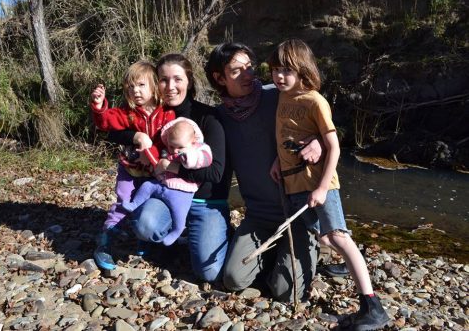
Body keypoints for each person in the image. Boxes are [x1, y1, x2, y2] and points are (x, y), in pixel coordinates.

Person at [268, 39, 389, 330]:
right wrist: (277, 160)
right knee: (320, 235)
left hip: (320, 183)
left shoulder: (314, 101)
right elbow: (287, 136)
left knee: (337, 236)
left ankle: (372, 305)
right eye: (274, 70)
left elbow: (334, 147)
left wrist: (322, 188)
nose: (279, 76)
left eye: (286, 70)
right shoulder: (282, 97)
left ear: (303, 70)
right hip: (294, 181)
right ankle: (344, 266)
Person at [205, 42, 323, 302]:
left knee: (286, 293)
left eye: (249, 67)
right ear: (219, 78)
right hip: (258, 216)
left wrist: (317, 140)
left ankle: (311, 244)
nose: (248, 75)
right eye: (237, 71)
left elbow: (320, 116)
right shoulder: (219, 118)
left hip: (297, 213)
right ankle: (276, 253)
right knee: (233, 279)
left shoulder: (277, 95)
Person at [106, 54, 231, 283]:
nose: (170, 87)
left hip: (205, 201)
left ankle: (215, 233)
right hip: (167, 195)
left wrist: (173, 167)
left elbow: (216, 173)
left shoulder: (208, 117)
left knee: (209, 273)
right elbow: (112, 129)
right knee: (145, 225)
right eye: (163, 80)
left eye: (177, 79)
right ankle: (166, 243)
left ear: (189, 82)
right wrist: (136, 135)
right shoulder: (155, 114)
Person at [90, 61, 175, 270]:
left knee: (151, 202)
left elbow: (170, 141)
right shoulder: (127, 113)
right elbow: (105, 122)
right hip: (130, 169)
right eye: (130, 87)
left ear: (154, 86)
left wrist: (154, 155)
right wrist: (99, 106)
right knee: (124, 202)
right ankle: (106, 240)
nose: (135, 91)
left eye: (141, 85)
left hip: (155, 172)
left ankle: (146, 239)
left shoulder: (167, 113)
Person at [122, 117, 213, 246]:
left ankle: (177, 231)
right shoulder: (168, 149)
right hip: (162, 184)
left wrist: (188, 157)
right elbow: (156, 154)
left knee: (179, 214)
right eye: (172, 146)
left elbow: (205, 159)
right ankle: (134, 204)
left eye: (180, 147)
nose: (175, 150)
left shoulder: (197, 150)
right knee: (147, 186)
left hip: (181, 192)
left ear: (193, 141)